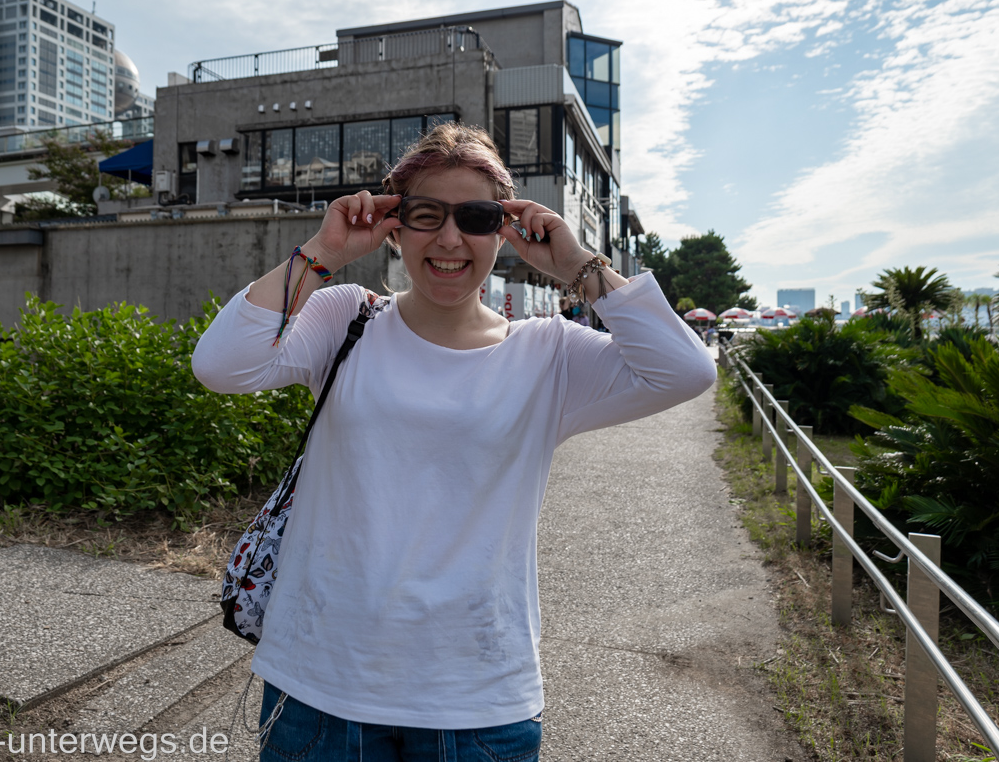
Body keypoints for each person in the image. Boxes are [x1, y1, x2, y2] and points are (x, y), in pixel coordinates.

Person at [192, 123, 716, 762]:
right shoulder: (345, 319)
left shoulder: (548, 353)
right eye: (425, 214)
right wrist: (323, 250)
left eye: (473, 216)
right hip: (320, 683)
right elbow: (222, 365)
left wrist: (577, 266)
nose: (448, 238)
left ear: (505, 228)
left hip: (476, 696)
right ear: (394, 224)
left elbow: (686, 371)